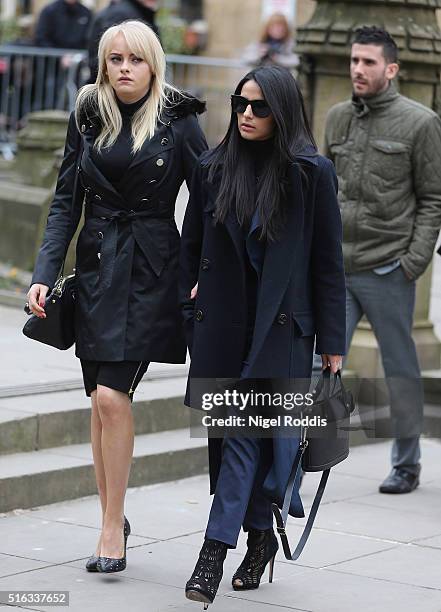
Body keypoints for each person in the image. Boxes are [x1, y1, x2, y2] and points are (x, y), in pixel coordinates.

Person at [27, 20, 207, 574]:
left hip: (153, 270)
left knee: (111, 397)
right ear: (102, 65)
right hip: (98, 267)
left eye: (135, 59)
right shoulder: (87, 116)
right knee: (99, 401)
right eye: (114, 59)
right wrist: (43, 271)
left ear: (153, 65)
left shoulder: (179, 120)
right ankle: (113, 514)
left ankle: (111, 529)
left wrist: (205, 271)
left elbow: (208, 200)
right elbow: (64, 201)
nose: (124, 68)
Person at [179, 65, 346, 607]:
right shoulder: (213, 167)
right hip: (225, 330)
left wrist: (333, 343)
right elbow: (190, 250)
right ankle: (254, 542)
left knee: (248, 442)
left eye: (259, 106)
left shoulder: (311, 174)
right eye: (240, 104)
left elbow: (327, 263)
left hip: (283, 333)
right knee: (235, 443)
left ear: (282, 111)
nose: (246, 114)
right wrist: (189, 307)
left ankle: (213, 553)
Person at [324, 26, 441, 494]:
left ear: (391, 70)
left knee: (399, 368)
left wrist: (412, 261)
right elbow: (322, 189)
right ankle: (299, 457)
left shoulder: (420, 122)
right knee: (322, 365)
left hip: (388, 267)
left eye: (369, 62)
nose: (358, 69)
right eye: (355, 60)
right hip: (337, 269)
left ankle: (407, 464)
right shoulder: (335, 118)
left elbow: (433, 198)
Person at [88, 0, 160, 82]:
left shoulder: (139, 12)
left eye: (136, 60)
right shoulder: (122, 14)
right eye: (117, 59)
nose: (125, 67)